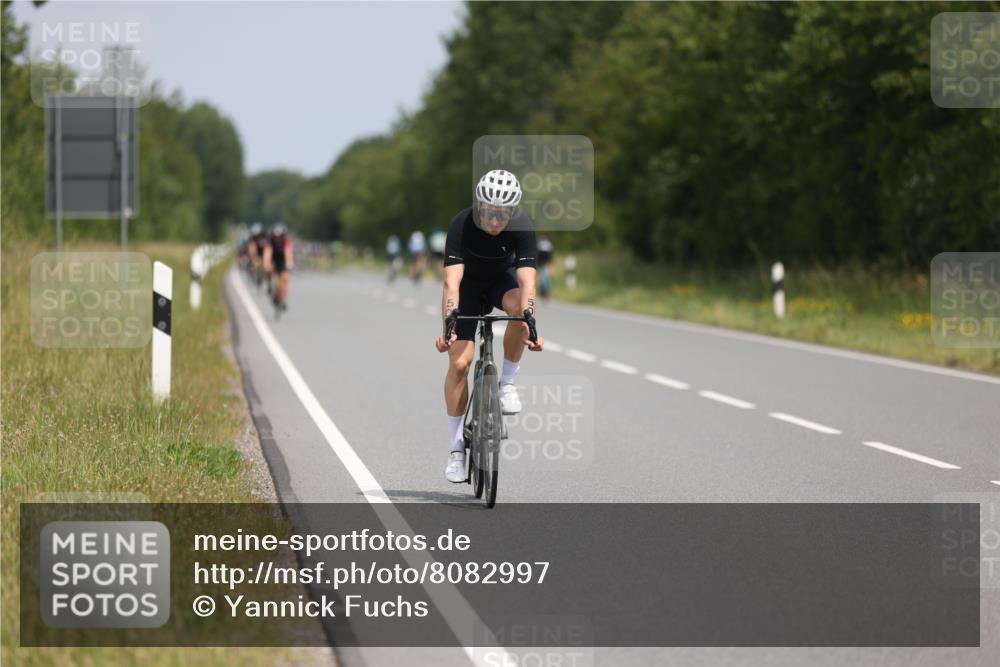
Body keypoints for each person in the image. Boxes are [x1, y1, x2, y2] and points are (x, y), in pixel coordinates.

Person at [434, 169, 544, 483]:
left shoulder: (523, 227)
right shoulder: (462, 224)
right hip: (466, 288)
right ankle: (456, 450)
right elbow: (451, 282)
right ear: (480, 206)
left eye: (503, 214)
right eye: (490, 212)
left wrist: (530, 324)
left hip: (501, 282)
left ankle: (506, 383)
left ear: (513, 210)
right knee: (459, 363)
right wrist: (449, 328)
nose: (495, 221)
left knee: (519, 312)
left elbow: (528, 283)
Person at [263, 223, 294, 314]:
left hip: (282, 260)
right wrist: (266, 264)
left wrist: (290, 263)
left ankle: (283, 298)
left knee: (285, 278)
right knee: (269, 270)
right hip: (273, 260)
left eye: (280, 236)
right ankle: (270, 284)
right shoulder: (270, 242)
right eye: (276, 237)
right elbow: (267, 253)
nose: (278, 239)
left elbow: (288, 253)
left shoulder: (286, 242)